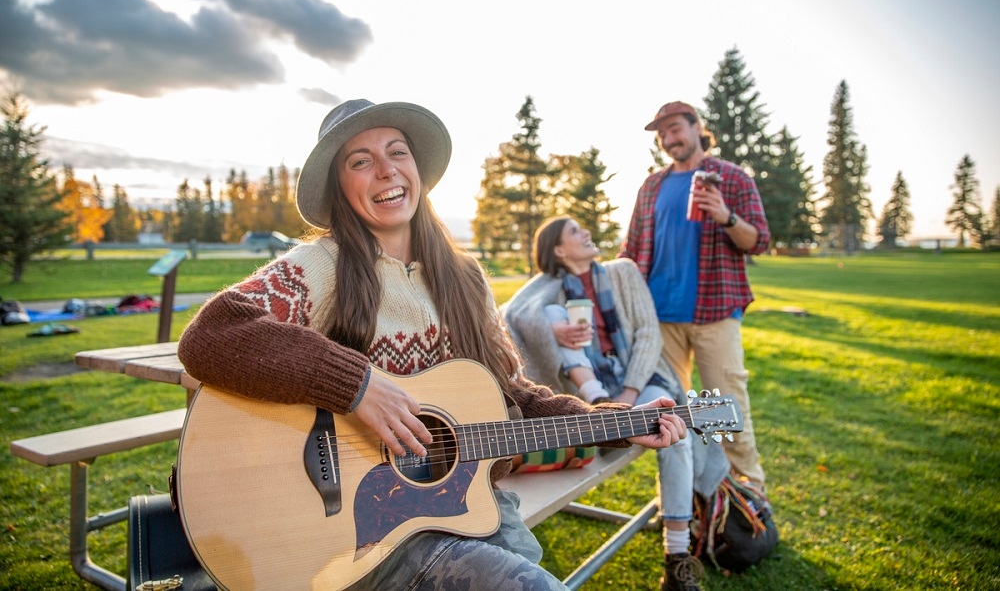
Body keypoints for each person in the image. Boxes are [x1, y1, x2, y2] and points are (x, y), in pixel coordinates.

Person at [177, 99, 688, 591]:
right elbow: (210, 335)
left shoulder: (466, 277)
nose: (386, 170)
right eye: (361, 161)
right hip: (358, 533)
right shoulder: (321, 265)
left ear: (417, 168)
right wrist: (357, 386)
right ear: (339, 186)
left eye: (397, 152)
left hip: (460, 504)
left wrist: (616, 424)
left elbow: (511, 394)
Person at [503, 216, 729, 591]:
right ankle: (599, 405)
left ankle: (676, 555)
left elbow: (649, 333)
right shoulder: (548, 288)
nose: (586, 233)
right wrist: (552, 329)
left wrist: (629, 393)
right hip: (589, 389)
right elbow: (508, 316)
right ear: (558, 249)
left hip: (638, 380)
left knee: (673, 429)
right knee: (552, 313)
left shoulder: (623, 271)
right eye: (575, 231)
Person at [619, 100, 771, 491]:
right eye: (662, 133)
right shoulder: (652, 186)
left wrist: (726, 216)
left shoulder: (732, 178)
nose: (669, 139)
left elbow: (758, 241)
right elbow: (630, 250)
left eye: (675, 129)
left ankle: (751, 495)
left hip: (715, 313)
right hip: (659, 319)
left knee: (727, 409)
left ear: (696, 127)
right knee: (674, 415)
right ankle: (685, 500)